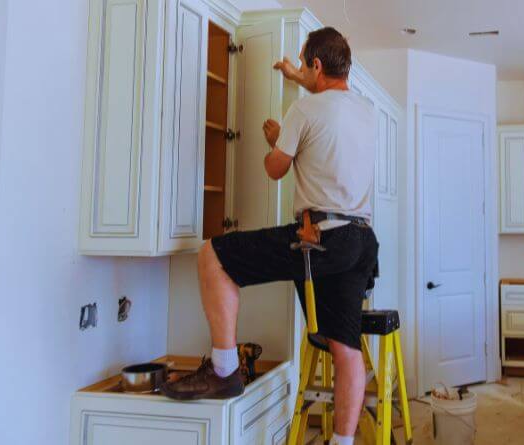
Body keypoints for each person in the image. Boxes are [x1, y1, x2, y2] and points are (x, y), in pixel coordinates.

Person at [161, 27, 378, 445]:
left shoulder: (304, 111)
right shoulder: (364, 111)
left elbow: (275, 169)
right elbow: (328, 111)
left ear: (316, 64)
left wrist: (278, 141)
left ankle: (224, 370)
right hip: (360, 239)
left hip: (321, 236)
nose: (300, 71)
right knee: (345, 346)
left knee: (213, 255)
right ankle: (343, 442)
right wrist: (299, 80)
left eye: (304, 64)